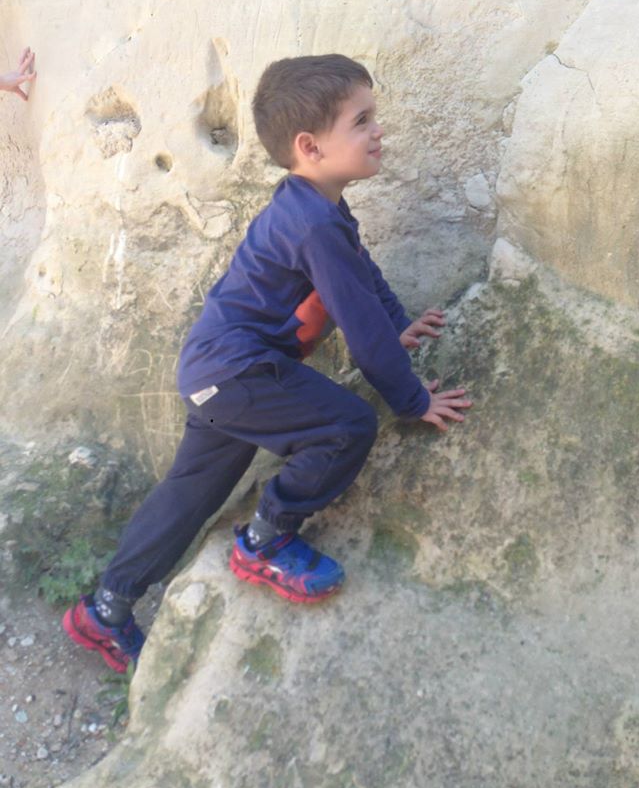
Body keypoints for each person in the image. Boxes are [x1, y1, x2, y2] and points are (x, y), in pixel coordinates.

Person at [63, 54, 472, 673]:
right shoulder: (313, 224)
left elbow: (362, 278)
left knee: (191, 492)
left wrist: (398, 323)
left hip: (212, 369)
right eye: (362, 121)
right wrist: (414, 400)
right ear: (310, 146)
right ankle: (265, 541)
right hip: (239, 372)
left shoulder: (315, 208)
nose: (378, 130)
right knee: (348, 426)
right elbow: (360, 331)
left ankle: (105, 608)